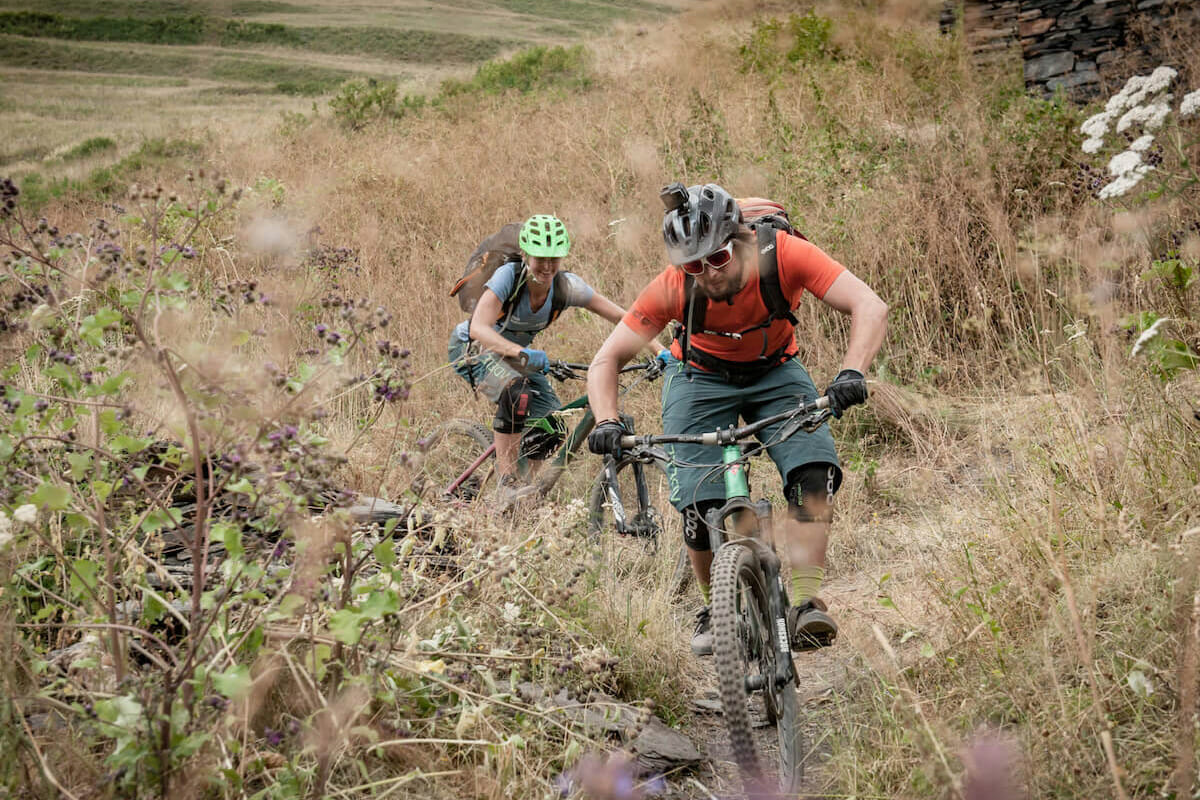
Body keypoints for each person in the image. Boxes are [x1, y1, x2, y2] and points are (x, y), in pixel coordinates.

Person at [586, 183, 887, 655]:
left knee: (813, 473)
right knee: (696, 504)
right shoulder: (674, 285)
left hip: (776, 370)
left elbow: (869, 305)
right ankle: (716, 609)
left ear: (741, 240)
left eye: (718, 258)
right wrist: (606, 420)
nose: (707, 274)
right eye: (693, 265)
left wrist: (852, 371)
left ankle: (806, 602)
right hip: (699, 377)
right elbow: (606, 360)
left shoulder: (783, 254)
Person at [448, 214, 655, 510]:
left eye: (554, 259)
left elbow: (626, 319)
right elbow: (478, 328)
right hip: (472, 349)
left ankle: (522, 494)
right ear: (525, 255)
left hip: (515, 357)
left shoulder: (566, 287)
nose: (547, 266)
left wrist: (661, 351)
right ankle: (507, 483)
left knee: (553, 425)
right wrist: (522, 353)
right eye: (540, 258)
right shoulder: (508, 276)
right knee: (517, 392)